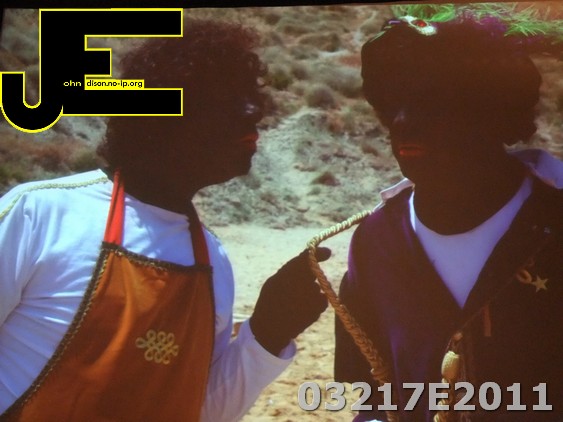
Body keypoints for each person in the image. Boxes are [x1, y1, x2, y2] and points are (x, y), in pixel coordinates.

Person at [0, 19, 329, 421]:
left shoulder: (212, 259)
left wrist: (267, 331)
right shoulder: (40, 214)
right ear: (159, 118)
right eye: (225, 100)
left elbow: (199, 410)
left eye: (250, 98)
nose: (253, 113)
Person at [334, 14, 563, 422]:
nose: (403, 121)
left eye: (432, 103)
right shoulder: (375, 241)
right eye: (393, 103)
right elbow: (374, 395)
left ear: (495, 110)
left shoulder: (554, 224)